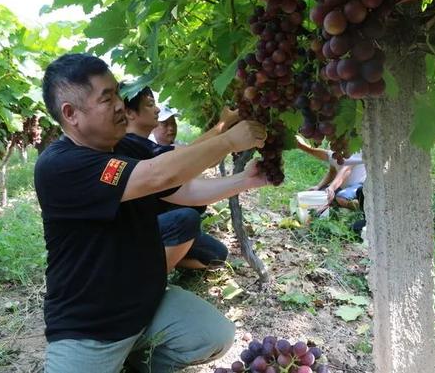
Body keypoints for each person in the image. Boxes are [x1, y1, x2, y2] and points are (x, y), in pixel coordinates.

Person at [35, 53, 268, 373]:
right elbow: (159, 175)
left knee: (215, 336)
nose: (119, 104)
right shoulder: (59, 166)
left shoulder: (128, 147)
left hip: (144, 305)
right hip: (89, 327)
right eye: (107, 98)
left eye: (116, 92)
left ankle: (135, 364)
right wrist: (227, 139)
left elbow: (183, 188)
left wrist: (246, 179)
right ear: (71, 114)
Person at [121, 84, 239, 269]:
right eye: (150, 104)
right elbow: (188, 157)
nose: (157, 109)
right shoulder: (128, 146)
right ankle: (149, 275)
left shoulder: (143, 144)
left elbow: (192, 159)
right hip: (135, 233)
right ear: (129, 113)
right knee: (186, 218)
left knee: (217, 255)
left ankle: (168, 258)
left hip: (157, 224)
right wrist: (223, 127)